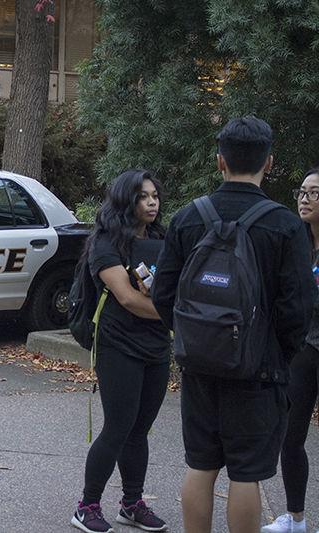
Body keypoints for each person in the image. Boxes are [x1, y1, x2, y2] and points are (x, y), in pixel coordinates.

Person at [152, 117, 316, 533]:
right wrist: (278, 351)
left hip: (200, 364)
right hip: (260, 369)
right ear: (270, 162)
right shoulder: (284, 225)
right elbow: (297, 305)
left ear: (219, 161)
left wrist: (194, 337)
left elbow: (163, 293)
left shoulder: (190, 218)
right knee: (247, 473)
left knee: (200, 464)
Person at [71, 169, 170, 533]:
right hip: (118, 344)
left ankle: (132, 503)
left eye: (155, 195)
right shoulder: (106, 243)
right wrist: (176, 314)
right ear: (126, 200)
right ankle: (87, 506)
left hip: (157, 344)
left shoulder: (162, 239)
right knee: (118, 426)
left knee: (140, 429)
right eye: (143, 196)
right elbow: (128, 298)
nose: (152, 202)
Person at [262, 167, 319, 533]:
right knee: (291, 435)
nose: (304, 198)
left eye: (314, 193)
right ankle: (296, 519)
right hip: (303, 348)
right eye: (302, 191)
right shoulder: (295, 242)